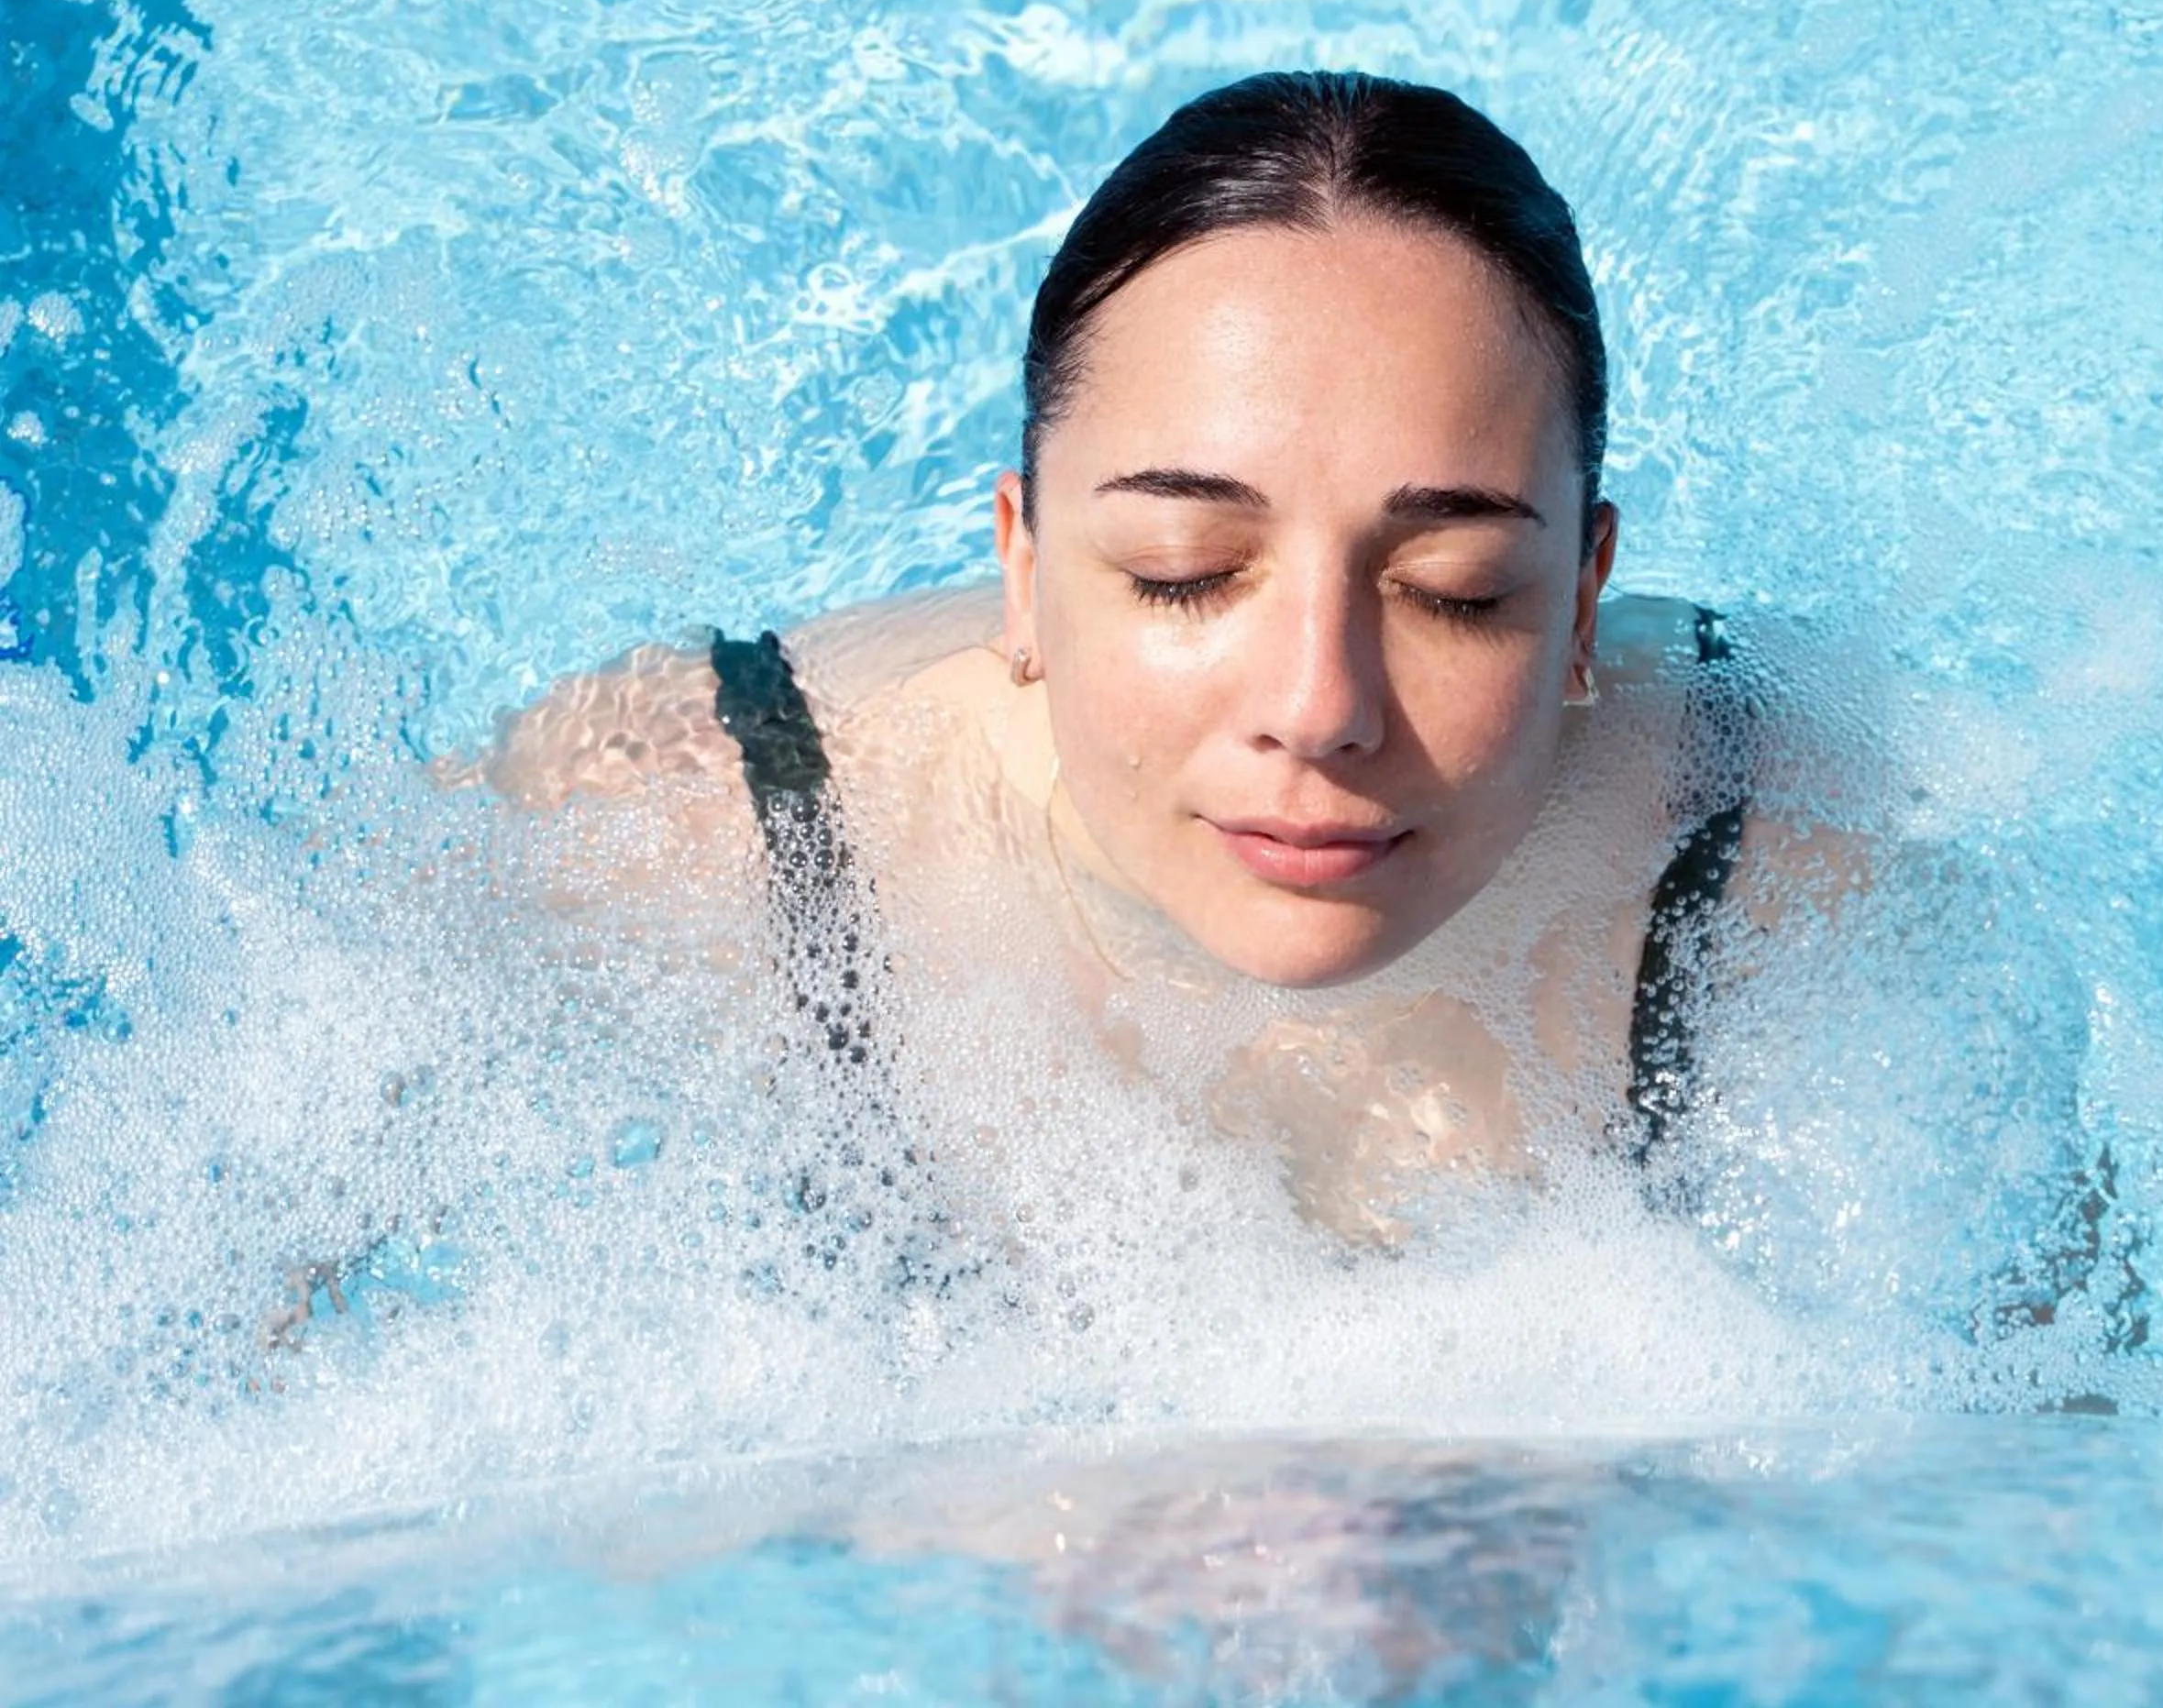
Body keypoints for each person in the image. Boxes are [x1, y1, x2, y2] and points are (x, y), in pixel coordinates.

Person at [457, 72, 1856, 1255]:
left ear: (1585, 607)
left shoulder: (1781, 836)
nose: (1317, 708)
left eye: (1455, 592)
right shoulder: (711, 817)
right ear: (1022, 567)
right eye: (1184, 574)